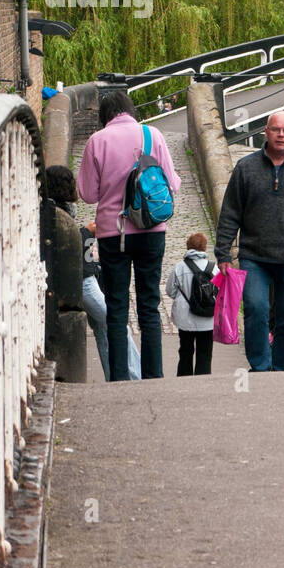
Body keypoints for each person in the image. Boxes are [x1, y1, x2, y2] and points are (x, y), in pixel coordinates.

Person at [215, 111, 284, 372]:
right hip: (253, 255)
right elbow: (230, 212)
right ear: (265, 132)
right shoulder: (246, 167)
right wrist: (223, 254)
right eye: (276, 129)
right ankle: (260, 367)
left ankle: (283, 371)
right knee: (255, 310)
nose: (281, 134)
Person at [77, 90, 180, 380]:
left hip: (112, 234)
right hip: (151, 231)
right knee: (149, 304)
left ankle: (120, 377)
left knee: (117, 306)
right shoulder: (153, 135)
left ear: (104, 116)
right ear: (131, 110)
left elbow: (87, 193)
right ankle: (153, 375)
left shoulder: (97, 141)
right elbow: (172, 184)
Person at [44, 165, 141, 382]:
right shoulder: (57, 213)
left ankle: (115, 378)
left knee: (102, 329)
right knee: (116, 324)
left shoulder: (55, 210)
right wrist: (87, 232)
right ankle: (136, 377)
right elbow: (70, 245)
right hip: (83, 281)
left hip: (84, 278)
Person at [166, 231, 217, 376]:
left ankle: (184, 378)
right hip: (207, 318)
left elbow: (170, 290)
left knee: (185, 351)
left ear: (188, 247)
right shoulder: (213, 268)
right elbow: (219, 291)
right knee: (205, 353)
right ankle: (203, 380)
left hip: (185, 319)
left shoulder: (180, 267)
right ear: (205, 247)